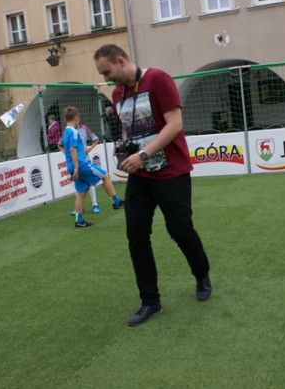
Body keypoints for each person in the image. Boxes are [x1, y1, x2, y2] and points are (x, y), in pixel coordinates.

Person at [94, 44, 212, 327]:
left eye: (107, 72)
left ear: (120, 61)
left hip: (172, 172)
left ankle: (201, 274)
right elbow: (129, 127)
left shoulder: (159, 79)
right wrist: (126, 149)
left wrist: (143, 154)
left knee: (180, 230)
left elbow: (175, 124)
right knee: (136, 236)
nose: (107, 79)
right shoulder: (117, 93)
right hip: (140, 177)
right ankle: (150, 301)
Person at [61, 106, 123, 228]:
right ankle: (117, 202)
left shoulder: (65, 132)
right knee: (105, 175)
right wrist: (77, 167)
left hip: (72, 166)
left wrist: (75, 166)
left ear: (65, 119)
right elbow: (73, 149)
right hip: (81, 165)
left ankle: (79, 220)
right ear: (77, 118)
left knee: (81, 193)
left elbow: (71, 149)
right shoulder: (74, 132)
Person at [59, 123, 103, 214]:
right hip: (73, 163)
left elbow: (96, 139)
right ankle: (80, 208)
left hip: (85, 161)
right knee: (78, 185)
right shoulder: (67, 131)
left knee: (90, 183)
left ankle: (95, 204)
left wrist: (89, 149)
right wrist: (66, 153)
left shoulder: (84, 128)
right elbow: (59, 144)